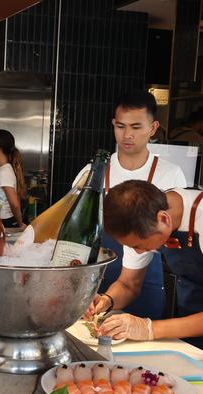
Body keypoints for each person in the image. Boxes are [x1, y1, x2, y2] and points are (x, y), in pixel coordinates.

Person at [73, 90, 186, 320]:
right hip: (95, 284)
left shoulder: (170, 175)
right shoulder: (92, 174)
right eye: (120, 126)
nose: (127, 135)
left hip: (147, 284)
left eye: (136, 127)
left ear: (153, 128)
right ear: (113, 125)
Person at [91, 180, 203, 347]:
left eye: (138, 246)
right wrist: (107, 300)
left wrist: (148, 328)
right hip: (190, 321)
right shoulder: (140, 218)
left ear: (164, 219)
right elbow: (128, 284)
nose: (137, 252)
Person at [0, 129, 27, 228]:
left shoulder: (5, 171)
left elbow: (14, 204)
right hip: (0, 220)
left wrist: (20, 224)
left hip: (5, 222)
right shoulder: (3, 169)